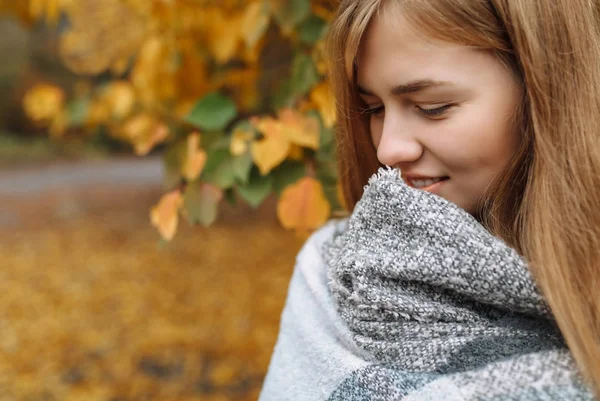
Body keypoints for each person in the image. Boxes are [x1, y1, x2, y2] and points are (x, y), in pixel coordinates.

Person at [259, 0, 599, 400]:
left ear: (546, 89)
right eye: (374, 108)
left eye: (431, 108)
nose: (388, 150)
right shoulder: (335, 277)